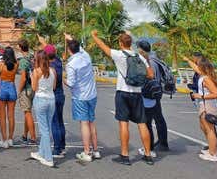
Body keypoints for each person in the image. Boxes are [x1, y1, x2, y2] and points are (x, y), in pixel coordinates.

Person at [92, 30, 155, 165]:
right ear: (131, 43)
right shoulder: (139, 56)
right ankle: (148, 154)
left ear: (120, 43)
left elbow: (103, 47)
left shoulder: (119, 55)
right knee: (142, 123)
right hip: (137, 93)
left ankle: (125, 155)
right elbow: (151, 74)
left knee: (123, 123)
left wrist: (94, 36)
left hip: (123, 92)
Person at [64, 35, 100, 163]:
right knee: (91, 122)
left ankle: (86, 151)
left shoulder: (71, 64)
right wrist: (71, 38)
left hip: (80, 96)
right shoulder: (86, 56)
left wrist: (64, 80)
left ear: (69, 50)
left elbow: (71, 83)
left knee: (84, 123)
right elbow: (81, 48)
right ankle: (95, 150)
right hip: (92, 94)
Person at [184, 55, 217, 162]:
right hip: (203, 104)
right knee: (204, 127)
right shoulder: (203, 76)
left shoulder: (206, 79)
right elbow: (194, 68)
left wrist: (200, 96)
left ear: (202, 67)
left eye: (198, 65)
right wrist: (188, 60)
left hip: (208, 105)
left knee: (210, 130)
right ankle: (211, 148)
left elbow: (216, 94)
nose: (196, 67)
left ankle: (213, 153)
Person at [137, 40, 169, 156]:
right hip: (156, 93)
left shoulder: (150, 62)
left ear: (141, 50)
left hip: (150, 94)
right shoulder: (154, 60)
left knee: (148, 122)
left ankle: (151, 147)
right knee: (158, 118)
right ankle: (162, 142)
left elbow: (149, 78)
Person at [30, 50, 57, 168]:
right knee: (47, 128)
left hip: (40, 99)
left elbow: (34, 88)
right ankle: (41, 152)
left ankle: (48, 158)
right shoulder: (53, 71)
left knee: (44, 130)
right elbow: (54, 86)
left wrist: (32, 77)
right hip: (51, 99)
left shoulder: (36, 71)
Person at [42, 41, 66, 158]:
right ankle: (62, 146)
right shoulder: (59, 62)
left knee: (55, 122)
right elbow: (52, 52)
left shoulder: (50, 68)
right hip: (61, 94)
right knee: (60, 121)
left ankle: (57, 149)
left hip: (54, 95)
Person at [0, 47, 18, 148]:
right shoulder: (16, 64)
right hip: (12, 87)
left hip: (2, 87)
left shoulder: (0, 65)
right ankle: (10, 138)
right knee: (11, 116)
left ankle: (4, 140)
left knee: (2, 116)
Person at [17, 39, 36, 145]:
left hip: (26, 89)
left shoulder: (23, 60)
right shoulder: (32, 57)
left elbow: (23, 78)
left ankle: (33, 137)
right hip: (32, 87)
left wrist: (19, 91)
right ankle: (25, 135)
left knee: (28, 113)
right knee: (27, 111)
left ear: (20, 47)